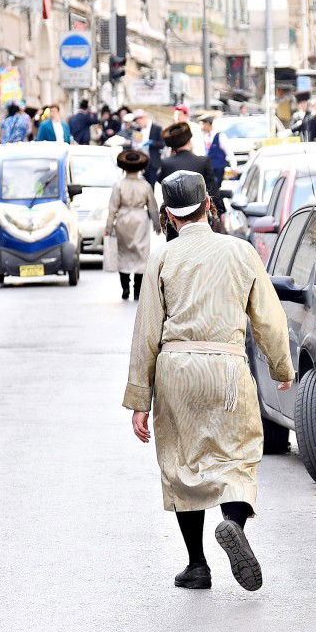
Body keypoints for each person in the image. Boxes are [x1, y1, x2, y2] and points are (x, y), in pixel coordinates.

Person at [123, 170, 295, 591]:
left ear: (168, 216)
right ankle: (233, 523)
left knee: (183, 463)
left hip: (176, 368)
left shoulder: (162, 258)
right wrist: (281, 368)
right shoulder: (241, 252)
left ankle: (197, 566)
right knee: (236, 456)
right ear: (210, 206)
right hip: (227, 367)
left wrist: (140, 399)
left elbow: (147, 330)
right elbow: (269, 319)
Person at [105, 150, 161, 300]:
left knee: (123, 254)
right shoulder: (145, 185)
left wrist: (108, 228)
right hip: (140, 219)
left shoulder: (119, 185)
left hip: (123, 220)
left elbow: (112, 208)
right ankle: (137, 290)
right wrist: (157, 225)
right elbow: (153, 207)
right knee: (141, 255)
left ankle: (125, 288)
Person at [158, 122, 222, 222]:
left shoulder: (166, 163)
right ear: (189, 140)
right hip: (199, 216)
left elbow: (161, 181)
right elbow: (213, 188)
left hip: (175, 219)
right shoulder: (203, 161)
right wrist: (220, 212)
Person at [130, 110, 163, 185]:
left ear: (144, 118)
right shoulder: (137, 130)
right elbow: (134, 146)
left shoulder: (156, 128)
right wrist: (136, 146)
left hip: (152, 162)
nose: (138, 124)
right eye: (137, 122)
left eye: (139, 122)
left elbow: (162, 144)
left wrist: (152, 143)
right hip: (141, 162)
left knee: (151, 184)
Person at [198, 114, 231, 188]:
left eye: (202, 124)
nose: (201, 127)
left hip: (218, 168)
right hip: (209, 169)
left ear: (207, 124)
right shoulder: (205, 137)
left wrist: (233, 167)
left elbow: (229, 152)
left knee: (216, 187)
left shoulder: (220, 136)